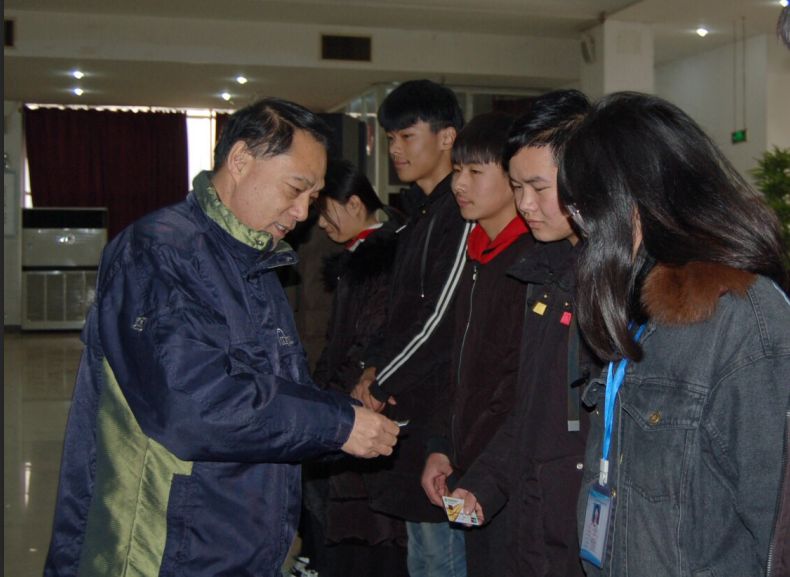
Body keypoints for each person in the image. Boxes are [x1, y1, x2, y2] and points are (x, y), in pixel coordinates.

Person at [43, 98, 400, 577]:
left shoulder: (255, 262)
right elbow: (192, 405)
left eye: (313, 198)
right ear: (241, 160)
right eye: (295, 188)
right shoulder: (161, 253)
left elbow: (275, 396)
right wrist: (336, 424)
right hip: (164, 549)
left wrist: (350, 420)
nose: (302, 212)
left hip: (232, 543)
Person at [556, 91, 790, 576]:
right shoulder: (638, 307)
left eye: (582, 211)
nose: (581, 232)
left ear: (630, 204)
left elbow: (775, 529)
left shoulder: (745, 322)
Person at [446, 89, 600, 577]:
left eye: (538, 187)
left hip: (578, 529)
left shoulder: (615, 288)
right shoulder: (544, 276)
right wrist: (484, 483)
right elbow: (529, 408)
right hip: (535, 521)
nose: (525, 204)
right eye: (517, 187)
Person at [352, 79, 472, 577]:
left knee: (443, 551)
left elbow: (440, 320)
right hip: (411, 403)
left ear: (447, 137)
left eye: (407, 136)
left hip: (443, 413)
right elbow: (397, 311)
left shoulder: (460, 212)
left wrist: (381, 381)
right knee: (423, 550)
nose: (395, 150)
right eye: (390, 139)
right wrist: (372, 366)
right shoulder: (417, 214)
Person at [420, 111, 532, 576]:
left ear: (513, 178)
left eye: (475, 171)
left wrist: (484, 470)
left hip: (508, 474)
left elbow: (518, 388)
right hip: (470, 467)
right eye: (457, 170)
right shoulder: (477, 255)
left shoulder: (531, 264)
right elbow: (458, 369)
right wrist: (442, 446)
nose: (459, 184)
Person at [301, 159, 407, 577]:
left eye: (326, 213)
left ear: (355, 203)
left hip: (358, 400)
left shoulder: (384, 254)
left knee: (362, 532)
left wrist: (332, 393)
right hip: (338, 394)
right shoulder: (357, 254)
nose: (321, 225)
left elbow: (368, 338)